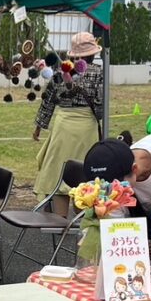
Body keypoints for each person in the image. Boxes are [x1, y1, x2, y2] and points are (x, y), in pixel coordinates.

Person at [32, 32, 103, 204]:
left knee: (58, 174)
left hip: (62, 127)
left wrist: (38, 127)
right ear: (93, 53)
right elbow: (100, 108)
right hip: (87, 130)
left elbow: (47, 101)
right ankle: (81, 225)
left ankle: (59, 225)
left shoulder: (60, 72)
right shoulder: (99, 73)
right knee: (84, 178)